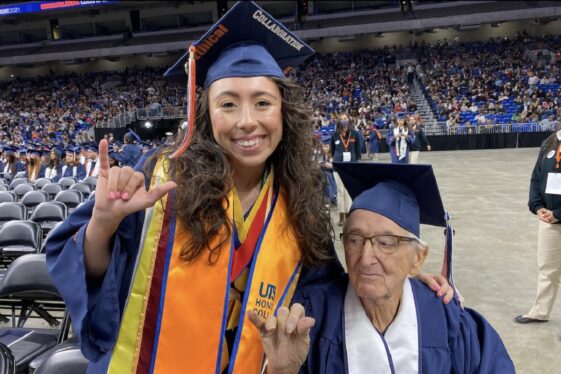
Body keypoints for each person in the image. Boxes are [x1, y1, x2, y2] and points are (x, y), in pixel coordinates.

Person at [46, 3, 451, 373]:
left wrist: (401, 281)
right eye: (228, 104)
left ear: (283, 112)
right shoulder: (158, 177)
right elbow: (92, 276)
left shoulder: (298, 200)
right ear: (204, 113)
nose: (246, 121)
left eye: (262, 103)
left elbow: (327, 293)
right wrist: (103, 223)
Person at [250, 163, 515, 373]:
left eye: (386, 243)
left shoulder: (448, 321)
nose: (366, 258)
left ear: (418, 258)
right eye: (354, 240)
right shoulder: (312, 317)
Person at [515, 126, 561, 324]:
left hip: (556, 215)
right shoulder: (550, 142)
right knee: (547, 267)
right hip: (549, 220)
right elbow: (536, 178)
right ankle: (540, 311)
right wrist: (537, 206)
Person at [330, 113, 361, 226]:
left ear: (349, 119)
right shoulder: (335, 135)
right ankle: (341, 215)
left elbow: (358, 150)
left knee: (348, 191)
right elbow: (332, 150)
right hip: (338, 165)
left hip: (351, 166)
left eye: (345, 118)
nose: (344, 120)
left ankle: (349, 215)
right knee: (340, 191)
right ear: (339, 121)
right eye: (341, 119)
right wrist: (336, 159)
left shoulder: (355, 134)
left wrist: (355, 163)